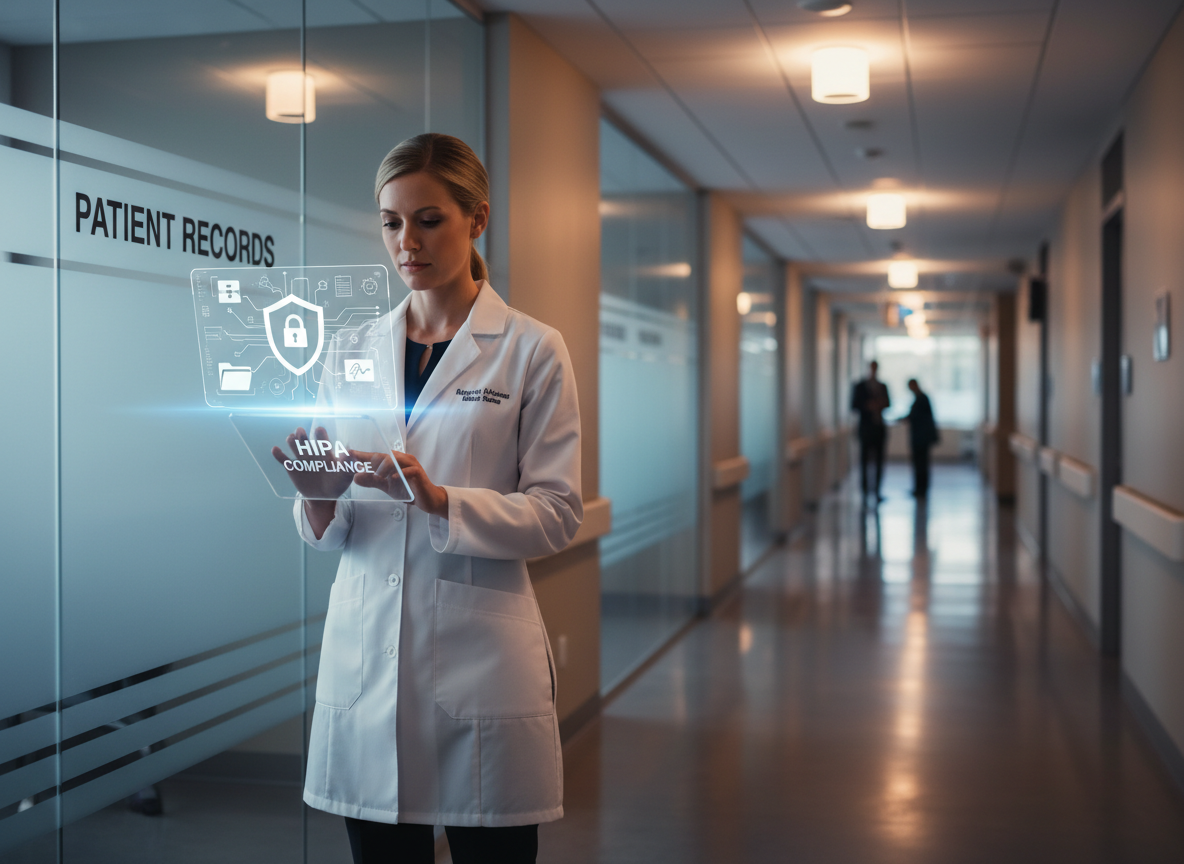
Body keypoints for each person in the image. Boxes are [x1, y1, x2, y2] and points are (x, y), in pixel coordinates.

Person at [272, 133, 582, 864]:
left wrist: (442, 501)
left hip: (481, 658)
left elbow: (557, 512)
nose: (406, 241)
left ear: (476, 220)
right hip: (367, 655)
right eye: (390, 222)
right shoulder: (347, 351)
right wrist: (318, 499)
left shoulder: (531, 349)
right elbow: (334, 527)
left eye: (429, 219)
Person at [851, 360, 891, 503]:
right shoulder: (860, 386)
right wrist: (867, 406)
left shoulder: (883, 386)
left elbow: (888, 404)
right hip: (866, 429)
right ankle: (865, 491)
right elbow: (854, 405)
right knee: (864, 461)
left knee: (880, 461)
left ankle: (877, 491)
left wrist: (880, 404)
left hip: (879, 428)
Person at [905, 378, 939, 498]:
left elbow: (916, 417)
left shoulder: (922, 399)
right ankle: (919, 488)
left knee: (921, 464)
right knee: (920, 464)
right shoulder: (920, 398)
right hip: (920, 437)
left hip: (921, 438)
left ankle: (921, 489)